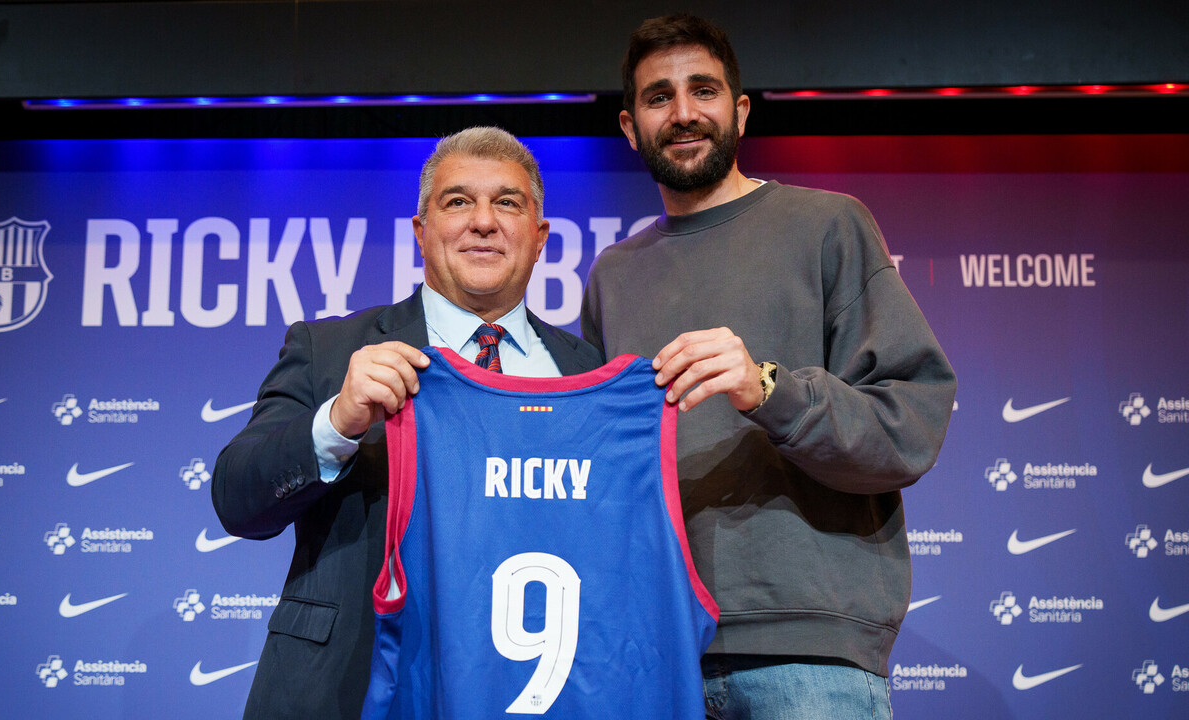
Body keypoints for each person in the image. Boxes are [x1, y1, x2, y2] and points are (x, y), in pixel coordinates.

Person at [581, 14, 957, 719]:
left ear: (741, 111)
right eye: (659, 97)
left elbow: (909, 425)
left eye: (704, 90)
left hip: (811, 663)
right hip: (657, 656)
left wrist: (767, 388)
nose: (684, 113)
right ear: (630, 127)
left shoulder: (829, 225)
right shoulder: (613, 276)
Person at [212, 126, 604, 720]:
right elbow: (236, 499)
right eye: (458, 201)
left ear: (539, 236)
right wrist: (336, 423)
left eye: (507, 203)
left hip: (533, 686)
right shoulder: (330, 349)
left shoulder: (588, 373)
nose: (483, 221)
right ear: (421, 231)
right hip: (351, 686)